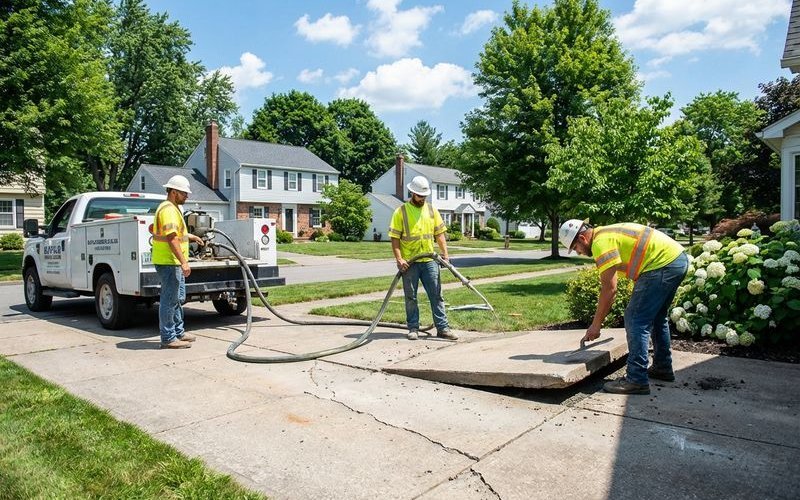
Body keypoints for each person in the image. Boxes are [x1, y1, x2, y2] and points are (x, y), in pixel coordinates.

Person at [559, 219, 688, 395]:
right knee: (657, 316)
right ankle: (662, 367)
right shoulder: (605, 233)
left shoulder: (600, 243)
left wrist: (596, 324)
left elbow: (609, 289)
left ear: (582, 238)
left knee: (635, 319)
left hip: (662, 264)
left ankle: (636, 380)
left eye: (575, 248)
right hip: (676, 260)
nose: (579, 253)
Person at [389, 175, 457, 341]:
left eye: (424, 196)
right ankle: (413, 328)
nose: (422, 198)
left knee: (436, 295)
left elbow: (439, 234)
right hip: (409, 263)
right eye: (420, 195)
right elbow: (394, 238)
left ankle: (443, 328)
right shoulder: (401, 212)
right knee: (411, 297)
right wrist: (399, 259)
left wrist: (445, 256)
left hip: (429, 261)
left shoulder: (432, 210)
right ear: (412, 192)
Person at [152, 174, 205, 349]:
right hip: (169, 262)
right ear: (174, 192)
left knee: (177, 297)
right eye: (184, 193)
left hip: (172, 261)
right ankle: (168, 338)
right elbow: (172, 238)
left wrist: (191, 236)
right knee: (169, 299)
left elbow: (177, 234)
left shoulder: (173, 209)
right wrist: (184, 262)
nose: (187, 196)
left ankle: (178, 332)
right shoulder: (168, 209)